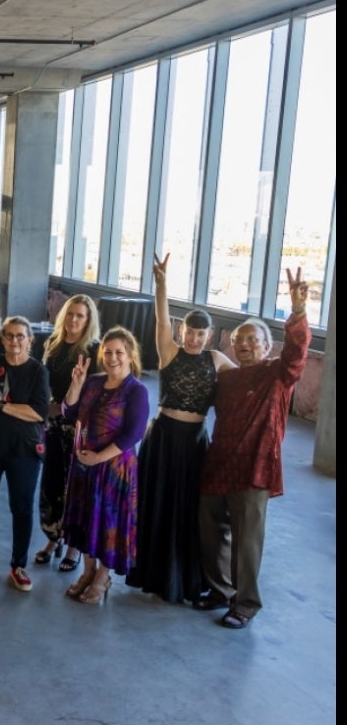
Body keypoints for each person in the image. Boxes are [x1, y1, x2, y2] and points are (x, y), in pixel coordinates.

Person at [197, 269, 310, 629]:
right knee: (210, 529)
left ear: (267, 346)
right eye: (239, 339)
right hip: (219, 463)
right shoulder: (226, 378)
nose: (244, 344)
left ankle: (244, 604)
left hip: (255, 468)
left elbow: (298, 351)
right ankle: (219, 591)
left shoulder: (278, 374)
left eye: (252, 339)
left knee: (247, 541)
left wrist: (298, 311)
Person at [128, 254, 234, 604]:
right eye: (190, 332)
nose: (195, 339)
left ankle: (185, 577)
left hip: (194, 442)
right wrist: (161, 284)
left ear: (210, 335)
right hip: (163, 437)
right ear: (182, 330)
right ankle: (152, 573)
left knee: (187, 509)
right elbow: (160, 318)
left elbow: (248, 378)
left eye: (202, 334)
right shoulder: (169, 352)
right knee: (157, 503)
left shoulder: (216, 360)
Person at [60, 327, 151, 605]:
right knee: (87, 519)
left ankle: (102, 576)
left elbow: (134, 433)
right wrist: (76, 383)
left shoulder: (136, 390)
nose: (112, 358)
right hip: (84, 466)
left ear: (130, 355)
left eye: (119, 352)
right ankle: (87, 572)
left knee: (108, 524)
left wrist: (99, 458)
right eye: (107, 352)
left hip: (113, 470)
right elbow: (69, 413)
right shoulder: (94, 382)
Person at [0, 314, 50, 592]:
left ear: (30, 340)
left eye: (20, 336)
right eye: (9, 335)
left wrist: (1, 406)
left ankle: (18, 565)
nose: (14, 341)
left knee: (21, 508)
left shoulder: (38, 371)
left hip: (24, 451)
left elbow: (37, 413)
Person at [35, 294, 101, 573]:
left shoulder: (95, 351)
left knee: (75, 488)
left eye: (81, 316)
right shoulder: (52, 344)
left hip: (79, 429)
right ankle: (53, 539)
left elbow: (98, 395)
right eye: (71, 313)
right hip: (52, 425)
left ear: (88, 321)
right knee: (51, 485)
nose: (74, 319)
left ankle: (73, 545)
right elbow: (42, 383)